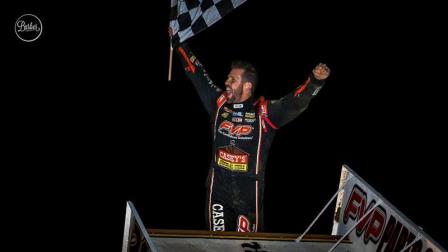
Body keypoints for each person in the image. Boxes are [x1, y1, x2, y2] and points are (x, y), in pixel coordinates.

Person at [173, 41, 330, 232]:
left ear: (247, 85)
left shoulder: (264, 112)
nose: (226, 82)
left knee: (246, 245)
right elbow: (197, 73)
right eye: (228, 79)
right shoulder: (218, 103)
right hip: (218, 191)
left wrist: (315, 81)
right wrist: (179, 43)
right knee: (217, 244)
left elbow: (295, 103)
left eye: (232, 80)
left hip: (249, 196)